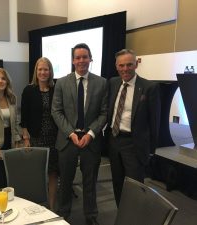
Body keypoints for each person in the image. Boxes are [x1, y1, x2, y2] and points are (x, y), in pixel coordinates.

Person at [51, 43, 108, 225]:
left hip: (91, 141)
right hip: (68, 140)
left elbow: (104, 113)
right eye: (78, 57)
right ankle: (64, 214)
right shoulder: (61, 82)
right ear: (73, 60)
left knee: (90, 182)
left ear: (91, 59)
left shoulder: (102, 83)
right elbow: (56, 111)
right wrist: (71, 133)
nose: (81, 60)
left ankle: (91, 216)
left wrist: (90, 134)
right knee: (65, 182)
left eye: (85, 57)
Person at [107, 49, 160, 207]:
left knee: (135, 186)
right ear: (116, 66)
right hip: (114, 140)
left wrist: (151, 150)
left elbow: (155, 122)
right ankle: (121, 215)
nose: (125, 69)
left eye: (129, 64)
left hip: (134, 144)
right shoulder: (113, 82)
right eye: (121, 65)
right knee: (117, 183)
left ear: (136, 64)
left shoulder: (149, 87)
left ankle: (135, 218)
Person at [20, 57, 58, 211]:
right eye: (40, 69)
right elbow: (24, 117)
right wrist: (26, 138)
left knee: (53, 173)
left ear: (50, 72)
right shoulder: (28, 90)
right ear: (36, 71)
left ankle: (52, 207)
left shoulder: (56, 89)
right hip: (36, 138)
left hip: (55, 138)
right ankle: (37, 208)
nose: (43, 72)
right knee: (38, 173)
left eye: (46, 69)